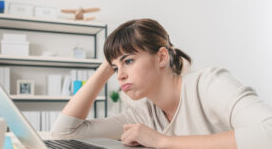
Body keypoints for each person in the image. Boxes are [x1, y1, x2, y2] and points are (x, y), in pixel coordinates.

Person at [51, 19, 272, 149]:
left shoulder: (208, 84)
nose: (119, 76)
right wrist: (105, 66)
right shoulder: (141, 115)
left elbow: (268, 133)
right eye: (116, 68)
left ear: (161, 57)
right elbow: (64, 135)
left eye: (128, 61)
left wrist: (163, 141)